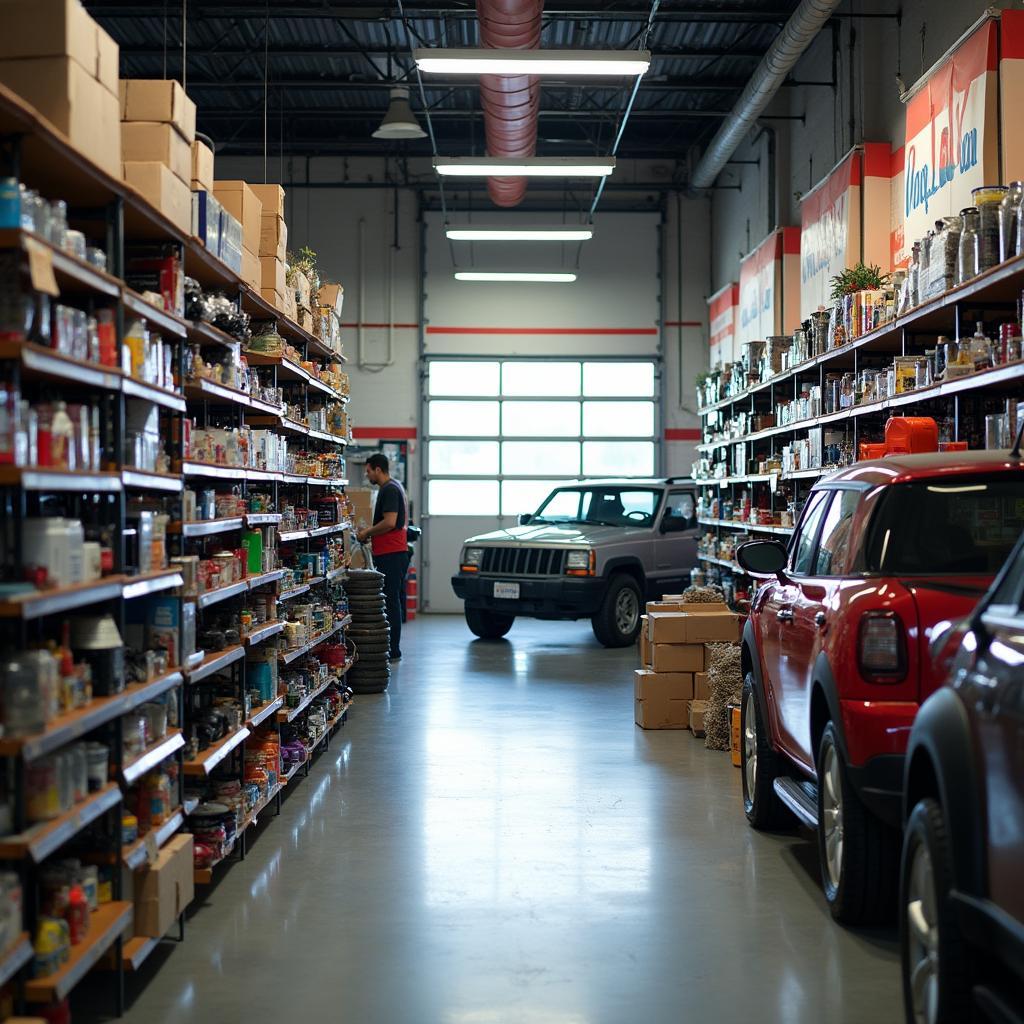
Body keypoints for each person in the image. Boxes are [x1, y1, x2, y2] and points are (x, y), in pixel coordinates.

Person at [356, 453, 408, 661]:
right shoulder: (394, 487)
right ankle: (392, 648)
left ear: (378, 469)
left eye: (368, 471)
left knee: (391, 601)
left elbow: (390, 522)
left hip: (392, 554)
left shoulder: (389, 490)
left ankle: (393, 650)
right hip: (390, 552)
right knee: (390, 599)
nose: (367, 475)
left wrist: (367, 532)